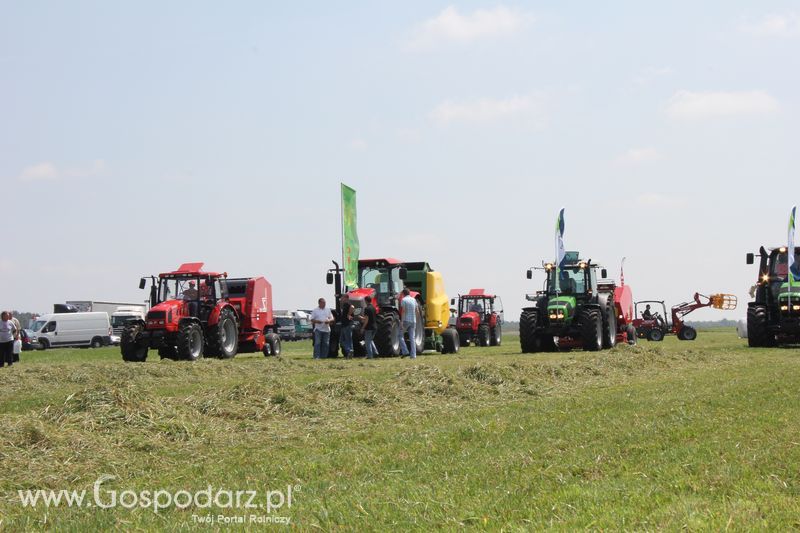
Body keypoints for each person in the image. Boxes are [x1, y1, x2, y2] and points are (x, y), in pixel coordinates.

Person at [398, 288, 417, 359]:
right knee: (412, 338)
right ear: (409, 293)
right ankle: (413, 355)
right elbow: (416, 310)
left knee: (400, 335)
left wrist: (401, 321)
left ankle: (405, 351)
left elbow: (403, 311)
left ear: (403, 293)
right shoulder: (414, 299)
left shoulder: (404, 300)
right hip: (413, 321)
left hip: (406, 320)